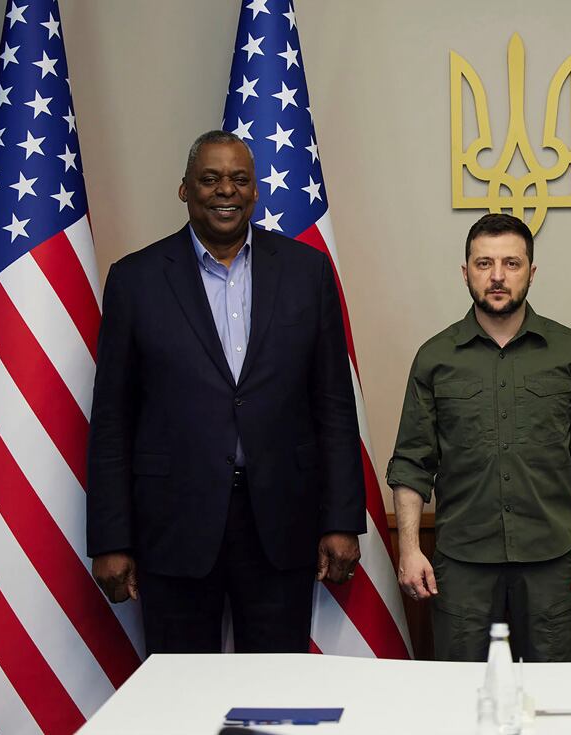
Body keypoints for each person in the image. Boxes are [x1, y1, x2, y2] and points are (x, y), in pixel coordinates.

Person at [86, 130, 365, 653]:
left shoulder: (307, 272)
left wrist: (342, 520)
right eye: (210, 179)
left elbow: (332, 404)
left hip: (281, 523)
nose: (225, 191)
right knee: (182, 694)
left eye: (239, 180)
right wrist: (111, 538)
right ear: (184, 190)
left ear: (256, 191)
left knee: (274, 696)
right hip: (174, 524)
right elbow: (112, 421)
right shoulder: (136, 280)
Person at [387, 213, 571, 662]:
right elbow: (412, 464)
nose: (497, 277)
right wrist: (410, 549)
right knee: (461, 701)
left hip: (553, 564)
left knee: (553, 700)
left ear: (531, 272)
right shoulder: (435, 357)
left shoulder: (570, 351)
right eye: (484, 264)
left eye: (511, 264)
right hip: (461, 566)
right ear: (465, 272)